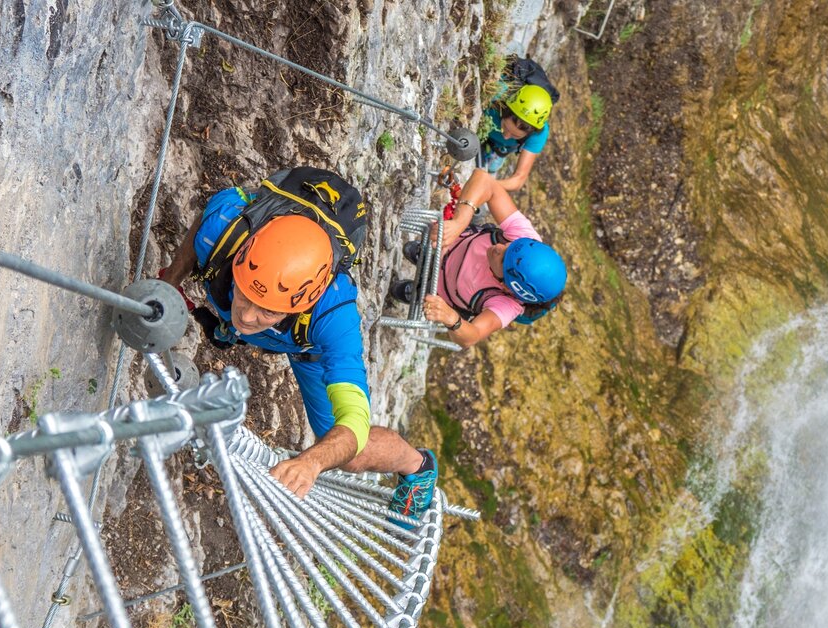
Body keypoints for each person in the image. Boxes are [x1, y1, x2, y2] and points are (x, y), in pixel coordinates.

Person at [159, 167, 437, 523]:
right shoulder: (226, 224)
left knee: (348, 452)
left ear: (303, 303)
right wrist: (172, 280)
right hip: (275, 306)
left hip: (308, 350)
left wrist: (312, 461)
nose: (247, 315)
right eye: (246, 295)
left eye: (268, 311)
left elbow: (354, 420)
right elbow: (204, 226)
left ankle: (418, 465)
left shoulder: (334, 317)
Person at [390, 170, 567, 349]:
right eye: (509, 246)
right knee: (412, 250)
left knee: (398, 290)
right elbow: (485, 180)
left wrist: (451, 319)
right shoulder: (525, 239)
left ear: (506, 286)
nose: (499, 247)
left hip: (440, 292)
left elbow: (472, 336)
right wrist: (460, 221)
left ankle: (421, 291)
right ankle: (426, 255)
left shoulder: (507, 305)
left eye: (502, 259)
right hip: (449, 245)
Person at [477, 83, 554, 193]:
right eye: (505, 126)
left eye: (515, 135)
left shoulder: (538, 134)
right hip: (482, 132)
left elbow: (519, 179)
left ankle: (494, 160)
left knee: (492, 167)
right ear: (504, 110)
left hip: (502, 148)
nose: (506, 136)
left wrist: (489, 184)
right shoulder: (495, 97)